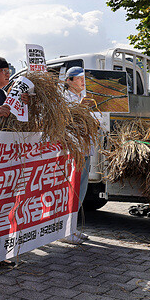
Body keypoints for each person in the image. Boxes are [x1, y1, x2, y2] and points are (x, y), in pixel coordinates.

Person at [63, 65, 91, 244]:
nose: (82, 81)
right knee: (71, 190)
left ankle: (73, 228)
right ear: (69, 81)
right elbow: (67, 120)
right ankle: (66, 231)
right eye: (78, 78)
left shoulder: (86, 97)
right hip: (73, 148)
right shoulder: (64, 98)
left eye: (83, 78)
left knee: (81, 190)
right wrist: (81, 107)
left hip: (86, 147)